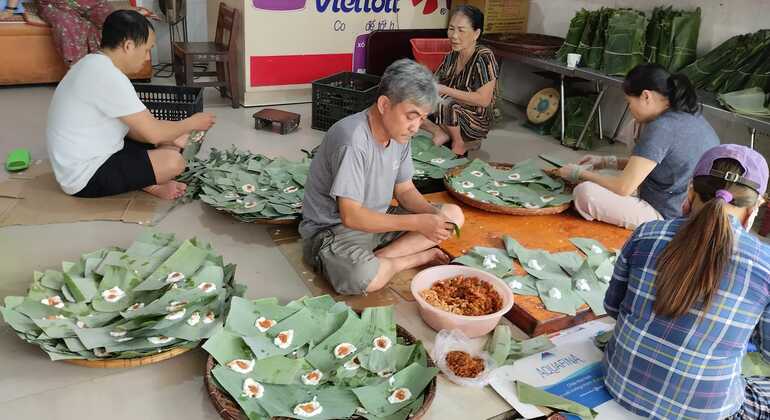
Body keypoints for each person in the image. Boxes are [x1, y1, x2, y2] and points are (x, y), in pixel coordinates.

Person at [603, 144, 770, 419]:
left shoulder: (647, 234)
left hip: (619, 384)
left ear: (691, 191)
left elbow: (612, 306)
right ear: (755, 207)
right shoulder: (764, 263)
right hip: (703, 410)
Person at [300, 59, 465, 295]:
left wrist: (432, 216)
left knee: (452, 216)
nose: (416, 127)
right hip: (332, 232)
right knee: (361, 276)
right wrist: (417, 223)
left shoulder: (399, 135)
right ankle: (403, 260)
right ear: (385, 104)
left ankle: (381, 259)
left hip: (378, 221)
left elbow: (405, 191)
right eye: (411, 115)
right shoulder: (352, 139)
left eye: (422, 118)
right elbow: (351, 216)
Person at [46, 10, 215, 200]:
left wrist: (172, 137)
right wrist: (192, 122)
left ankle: (147, 180)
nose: (146, 57)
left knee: (173, 141)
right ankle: (148, 182)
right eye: (146, 50)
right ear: (128, 46)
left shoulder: (92, 63)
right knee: (173, 162)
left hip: (93, 151)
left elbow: (135, 126)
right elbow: (154, 132)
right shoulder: (108, 77)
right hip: (83, 177)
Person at [551, 64, 719, 230]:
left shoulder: (661, 127)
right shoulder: (690, 115)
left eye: (629, 102)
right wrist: (605, 161)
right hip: (687, 209)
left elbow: (623, 187)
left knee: (585, 193)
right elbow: (651, 163)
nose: (629, 108)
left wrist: (578, 173)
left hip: (668, 216)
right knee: (603, 175)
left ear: (646, 96)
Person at [420, 5, 498, 156]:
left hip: (476, 118)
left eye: (461, 30)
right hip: (449, 113)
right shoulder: (450, 56)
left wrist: (443, 90)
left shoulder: (484, 57)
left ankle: (460, 142)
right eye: (451, 28)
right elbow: (434, 82)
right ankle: (440, 132)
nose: (454, 36)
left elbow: (483, 100)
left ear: (476, 33)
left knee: (445, 100)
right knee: (413, 100)